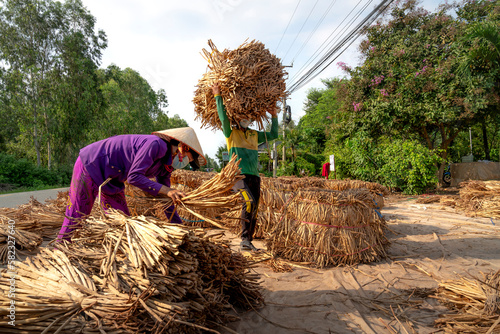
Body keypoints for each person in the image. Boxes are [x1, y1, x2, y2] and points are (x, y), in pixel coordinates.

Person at [56, 127, 206, 241]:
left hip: (112, 179)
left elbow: (167, 199)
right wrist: (167, 190)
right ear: (182, 147)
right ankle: (60, 252)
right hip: (92, 164)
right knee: (77, 214)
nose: (185, 161)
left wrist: (180, 228)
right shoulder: (156, 145)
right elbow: (134, 177)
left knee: (123, 222)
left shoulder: (166, 166)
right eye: (187, 157)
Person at [212, 82, 278, 252]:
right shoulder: (230, 133)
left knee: (255, 206)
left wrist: (274, 116)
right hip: (238, 176)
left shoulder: (254, 134)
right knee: (248, 202)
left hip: (255, 176)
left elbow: (274, 134)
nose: (245, 119)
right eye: (243, 117)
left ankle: (249, 240)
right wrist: (217, 95)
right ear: (237, 118)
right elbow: (223, 118)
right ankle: (243, 239)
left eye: (248, 117)